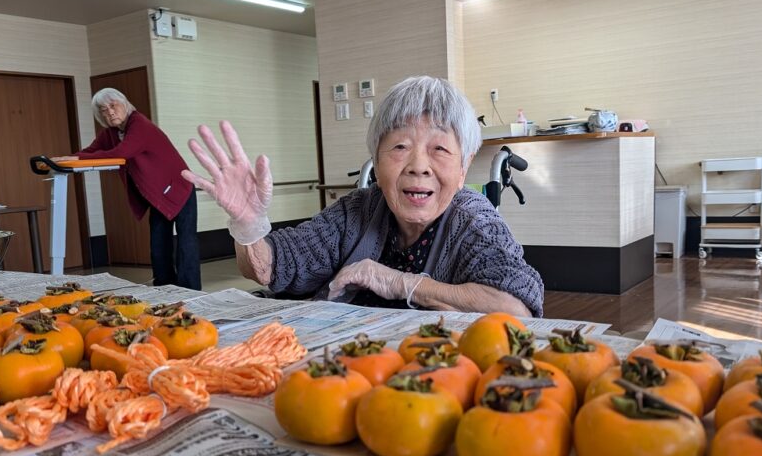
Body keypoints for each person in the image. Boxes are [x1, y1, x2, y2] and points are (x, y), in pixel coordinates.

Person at [182, 76, 543, 314]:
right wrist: (248, 226)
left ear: (463, 168)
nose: (418, 166)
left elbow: (516, 308)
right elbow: (268, 267)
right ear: (376, 160)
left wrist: (398, 281)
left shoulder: (473, 218)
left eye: (440, 150)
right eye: (400, 146)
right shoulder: (358, 210)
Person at [75, 88, 201, 289]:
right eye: (103, 110)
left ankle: (191, 289)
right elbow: (91, 151)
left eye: (113, 106)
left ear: (124, 104)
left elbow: (122, 153)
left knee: (186, 242)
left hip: (180, 187)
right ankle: (164, 286)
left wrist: (79, 158)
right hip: (158, 194)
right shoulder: (112, 133)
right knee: (159, 243)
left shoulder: (139, 124)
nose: (110, 112)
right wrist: (68, 159)